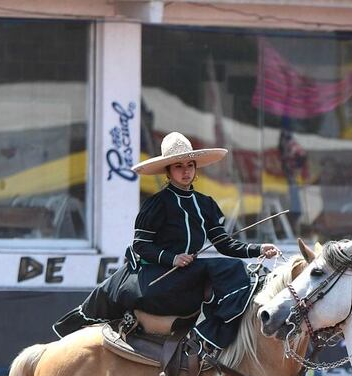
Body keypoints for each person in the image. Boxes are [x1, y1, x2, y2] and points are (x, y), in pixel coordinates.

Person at [53, 131, 279, 351]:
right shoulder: (157, 203)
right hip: (159, 277)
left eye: (190, 165)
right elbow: (141, 245)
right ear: (168, 172)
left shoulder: (205, 203)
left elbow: (224, 243)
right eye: (178, 167)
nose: (185, 171)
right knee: (227, 268)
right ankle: (209, 334)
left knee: (235, 269)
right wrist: (173, 258)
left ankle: (218, 333)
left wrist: (257, 249)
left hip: (188, 274)